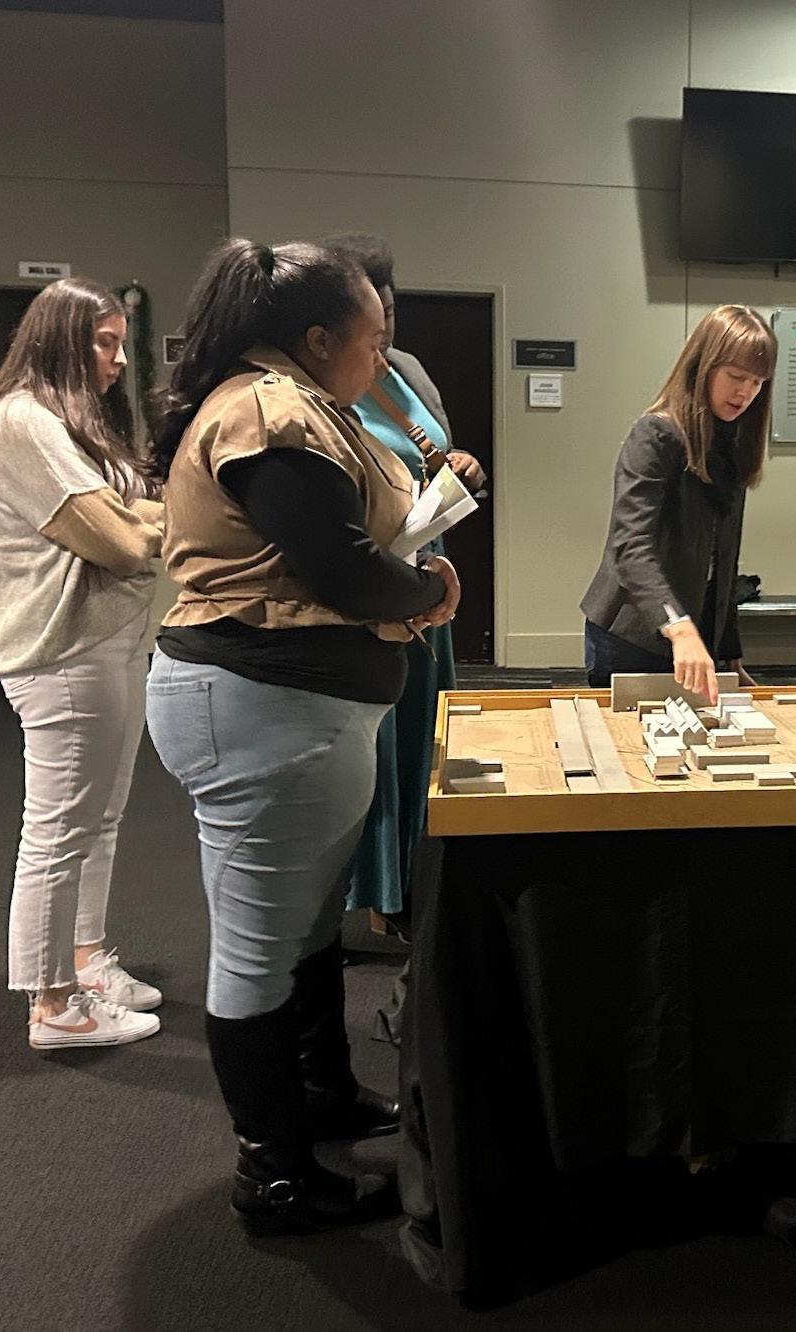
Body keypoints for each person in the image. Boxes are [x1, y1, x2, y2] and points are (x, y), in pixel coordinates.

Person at [145, 239, 461, 1233]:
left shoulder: (292, 402)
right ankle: (273, 1173)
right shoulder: (271, 414)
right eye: (371, 342)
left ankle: (320, 1096)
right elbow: (344, 570)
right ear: (319, 340)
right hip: (264, 708)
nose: (381, 360)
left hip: (287, 711)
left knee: (307, 925)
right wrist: (424, 590)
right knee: (255, 949)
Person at [0, 277, 166, 1050]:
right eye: (104, 343)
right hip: (65, 650)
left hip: (107, 640)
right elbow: (118, 539)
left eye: (119, 343)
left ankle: (83, 963)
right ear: (62, 342)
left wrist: (139, 520)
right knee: (57, 830)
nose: (119, 360)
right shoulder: (23, 421)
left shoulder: (71, 423)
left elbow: (136, 514)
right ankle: (52, 1005)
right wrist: (143, 525)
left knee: (97, 819)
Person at [322, 234, 486, 1044]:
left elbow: (440, 455)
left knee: (424, 732)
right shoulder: (322, 382)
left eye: (389, 310)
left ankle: (411, 888)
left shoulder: (408, 370)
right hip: (374, 578)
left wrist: (460, 467)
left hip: (428, 565)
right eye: (371, 312)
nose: (383, 328)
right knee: (375, 740)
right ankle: (370, 899)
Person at [580, 305, 774, 705]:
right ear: (703, 366)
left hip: (694, 632)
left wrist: (729, 652)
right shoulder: (655, 434)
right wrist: (678, 626)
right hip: (635, 634)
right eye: (736, 377)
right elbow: (630, 546)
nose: (746, 392)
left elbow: (723, 558)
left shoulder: (732, 442)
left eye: (757, 382)